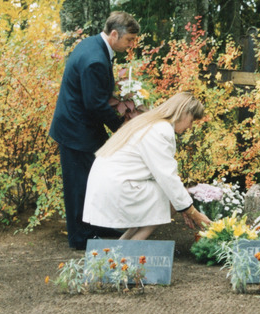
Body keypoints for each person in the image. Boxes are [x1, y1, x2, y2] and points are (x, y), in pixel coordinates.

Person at [49, 11, 140, 250]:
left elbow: (97, 95)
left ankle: (94, 225)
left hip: (83, 125)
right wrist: (121, 127)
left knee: (93, 180)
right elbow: (95, 104)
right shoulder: (95, 60)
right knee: (79, 184)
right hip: (75, 130)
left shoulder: (93, 45)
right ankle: (80, 238)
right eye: (129, 40)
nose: (131, 45)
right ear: (113, 34)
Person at [82, 92, 211, 240]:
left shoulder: (149, 122)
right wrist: (193, 213)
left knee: (178, 197)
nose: (190, 126)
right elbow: (167, 177)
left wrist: (185, 206)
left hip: (109, 186)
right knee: (172, 198)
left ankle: (121, 245)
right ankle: (129, 249)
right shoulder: (161, 130)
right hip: (118, 189)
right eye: (192, 120)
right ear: (183, 112)